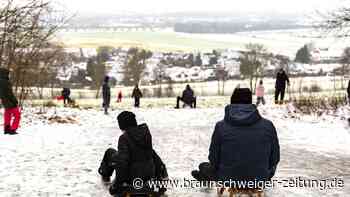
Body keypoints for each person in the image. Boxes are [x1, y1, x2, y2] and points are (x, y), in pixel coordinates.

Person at [192, 88, 280, 187]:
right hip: (259, 179)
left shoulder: (221, 126)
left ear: (232, 101)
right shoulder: (268, 125)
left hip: (228, 179)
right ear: (250, 102)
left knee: (204, 166)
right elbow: (275, 158)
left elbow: (213, 159)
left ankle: (204, 178)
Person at [98, 111, 168, 196]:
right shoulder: (146, 134)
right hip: (148, 176)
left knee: (110, 152)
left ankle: (105, 178)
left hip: (132, 180)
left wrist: (117, 184)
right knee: (150, 153)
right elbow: (154, 157)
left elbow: (122, 164)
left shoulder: (124, 138)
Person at [0, 68, 21, 135]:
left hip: (4, 101)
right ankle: (13, 129)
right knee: (17, 115)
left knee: (7, 114)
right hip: (10, 102)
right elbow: (10, 94)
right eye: (8, 74)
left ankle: (7, 129)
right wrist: (15, 101)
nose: (9, 75)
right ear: (5, 74)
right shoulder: (6, 82)